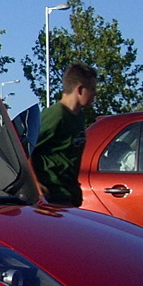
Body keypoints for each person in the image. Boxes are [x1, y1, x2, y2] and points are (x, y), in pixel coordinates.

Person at [31, 63, 97, 206]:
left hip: (69, 194)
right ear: (80, 89)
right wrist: (34, 183)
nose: (95, 94)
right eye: (92, 89)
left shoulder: (79, 117)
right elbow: (24, 147)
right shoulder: (56, 116)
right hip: (52, 195)